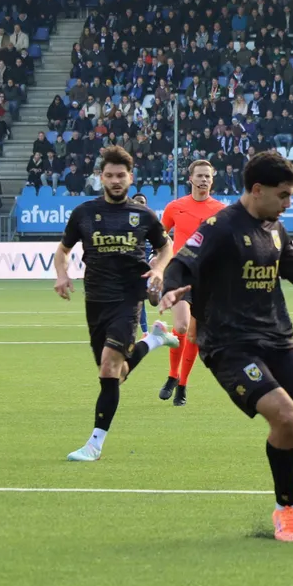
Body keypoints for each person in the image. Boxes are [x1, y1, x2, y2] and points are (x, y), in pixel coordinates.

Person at [159, 151, 293, 543]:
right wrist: (171, 288)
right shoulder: (221, 227)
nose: (288, 203)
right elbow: (180, 263)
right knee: (285, 417)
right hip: (229, 347)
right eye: (284, 195)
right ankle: (285, 509)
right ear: (257, 189)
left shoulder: (275, 228)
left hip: (276, 340)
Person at [54, 146, 180, 462]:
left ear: (130, 178)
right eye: (109, 175)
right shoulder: (83, 213)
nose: (115, 180)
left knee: (110, 366)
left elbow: (166, 247)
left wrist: (158, 269)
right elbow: (63, 250)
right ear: (101, 177)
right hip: (95, 300)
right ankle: (154, 340)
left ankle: (94, 445)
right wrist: (62, 274)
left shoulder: (144, 216)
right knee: (116, 373)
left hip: (128, 297)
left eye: (120, 175)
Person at [157, 161, 227, 406]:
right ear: (191, 179)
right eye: (200, 176)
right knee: (182, 326)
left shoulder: (221, 210)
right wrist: (159, 260)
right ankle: (172, 375)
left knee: (194, 335)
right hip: (180, 275)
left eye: (208, 176)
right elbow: (160, 235)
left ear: (212, 180)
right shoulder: (175, 207)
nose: (204, 180)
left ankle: (182, 385)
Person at [132, 192, 152, 337]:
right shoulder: (126, 225)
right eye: (137, 201)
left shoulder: (152, 223)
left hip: (152, 269)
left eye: (142, 202)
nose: (140, 204)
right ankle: (145, 332)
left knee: (160, 296)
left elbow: (165, 244)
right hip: (136, 270)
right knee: (139, 300)